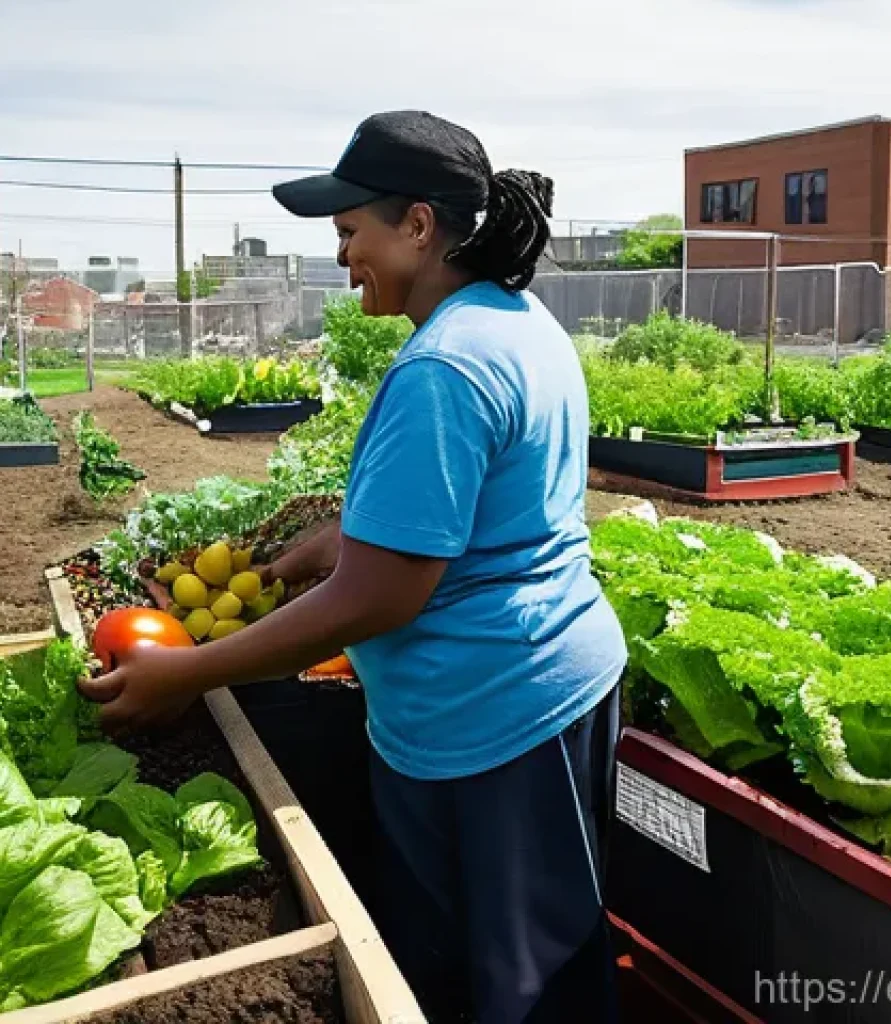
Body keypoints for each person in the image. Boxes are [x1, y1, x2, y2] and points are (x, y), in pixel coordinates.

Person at [79, 110, 627, 1024]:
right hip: (549, 686)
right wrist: (328, 545)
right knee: (538, 959)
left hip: (491, 715)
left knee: (514, 994)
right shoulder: (515, 320)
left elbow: (380, 596)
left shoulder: (445, 366)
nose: (342, 259)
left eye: (348, 232)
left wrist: (186, 671)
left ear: (417, 225)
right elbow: (469, 515)